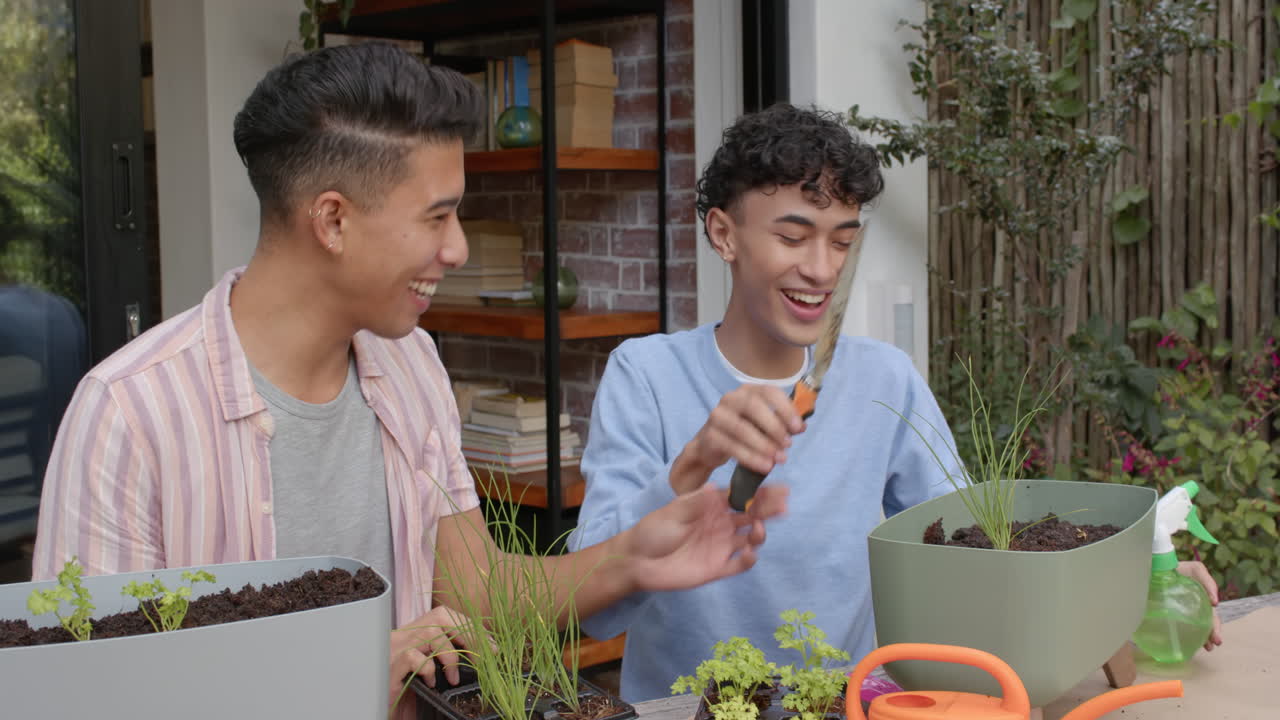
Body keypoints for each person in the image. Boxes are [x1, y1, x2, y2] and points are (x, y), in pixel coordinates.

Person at [30, 43, 787, 712]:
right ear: (332, 220)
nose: (458, 249)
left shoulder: (408, 363)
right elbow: (87, 696)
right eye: (437, 217)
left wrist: (637, 555)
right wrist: (347, 679)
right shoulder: (130, 412)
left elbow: (480, 595)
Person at [565, 103, 1223, 703]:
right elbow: (594, 606)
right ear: (724, 234)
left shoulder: (883, 379)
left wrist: (1138, 578)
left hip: (851, 707)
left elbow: (977, 559)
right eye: (793, 238)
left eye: (843, 242)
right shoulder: (645, 374)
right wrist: (692, 464)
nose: (822, 269)